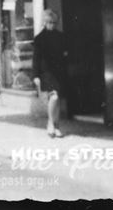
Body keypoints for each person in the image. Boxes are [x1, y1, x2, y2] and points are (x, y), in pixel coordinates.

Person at [33, 10, 69, 138]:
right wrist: (36, 75)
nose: (51, 25)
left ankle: (57, 125)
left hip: (59, 72)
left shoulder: (61, 37)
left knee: (57, 99)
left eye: (54, 23)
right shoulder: (39, 39)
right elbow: (36, 58)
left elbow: (66, 53)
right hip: (46, 72)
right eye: (49, 23)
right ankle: (50, 123)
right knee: (54, 97)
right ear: (44, 22)